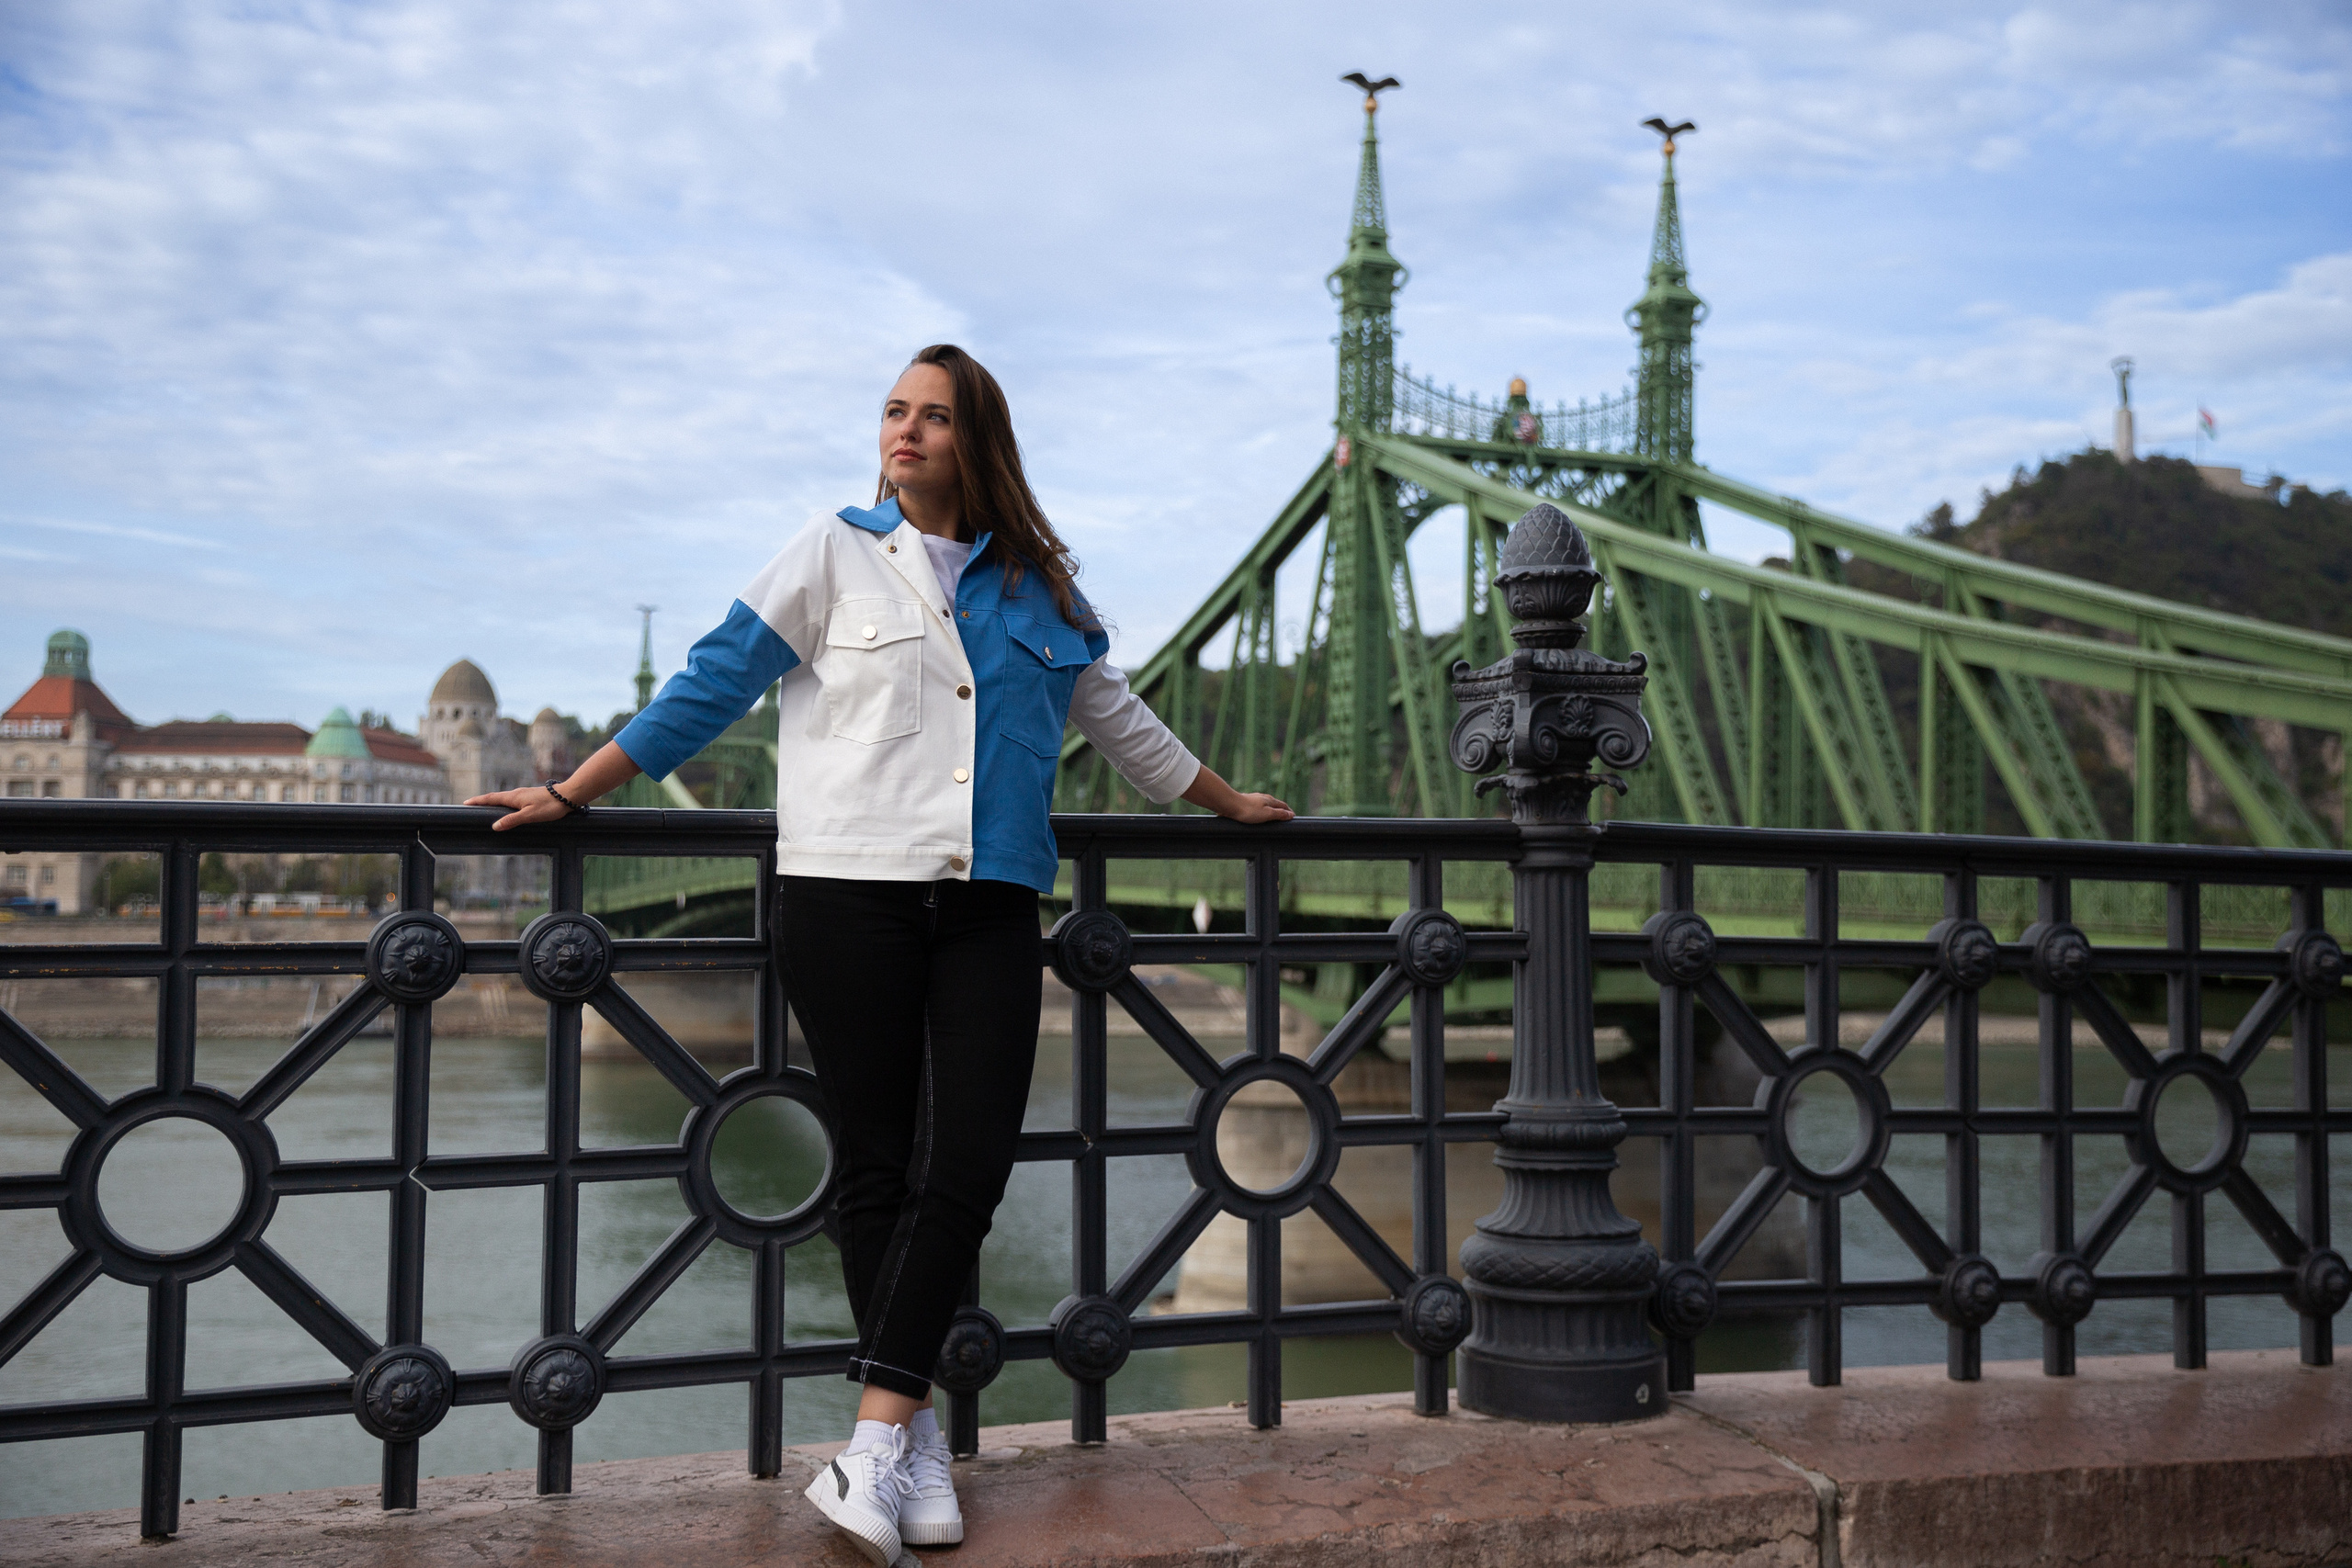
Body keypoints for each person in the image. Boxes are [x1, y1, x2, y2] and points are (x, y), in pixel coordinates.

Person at [469, 344, 1291, 1564]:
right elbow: (714, 681)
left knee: (966, 1163)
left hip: (991, 901)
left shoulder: (1041, 591)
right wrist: (575, 791)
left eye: (934, 416)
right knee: (874, 1168)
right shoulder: (830, 552)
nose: (905, 430)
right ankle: (915, 1443)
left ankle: (871, 1442)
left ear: (977, 440)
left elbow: (1121, 722)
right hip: (845, 894)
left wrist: (1231, 805)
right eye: (894, 411)